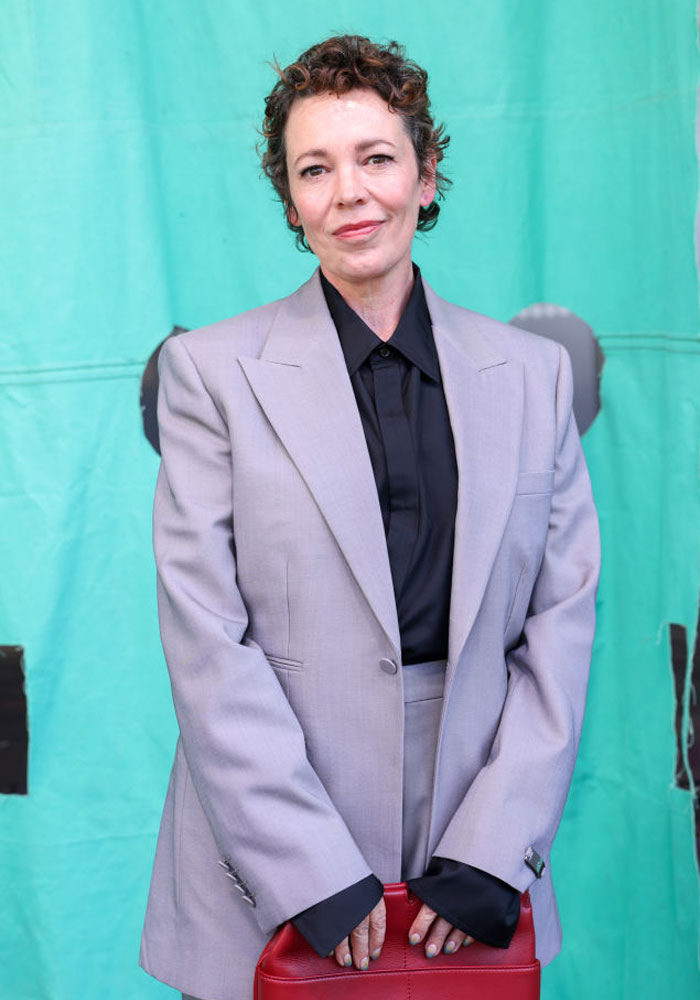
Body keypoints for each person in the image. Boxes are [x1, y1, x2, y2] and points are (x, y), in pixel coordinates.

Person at [139, 34, 600, 1000]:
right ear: (291, 200)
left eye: (377, 159)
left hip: (469, 862)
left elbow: (560, 622)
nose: (349, 192)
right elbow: (206, 641)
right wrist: (305, 868)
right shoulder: (211, 377)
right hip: (268, 871)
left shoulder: (535, 375)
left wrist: (495, 849)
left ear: (426, 178)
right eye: (316, 169)